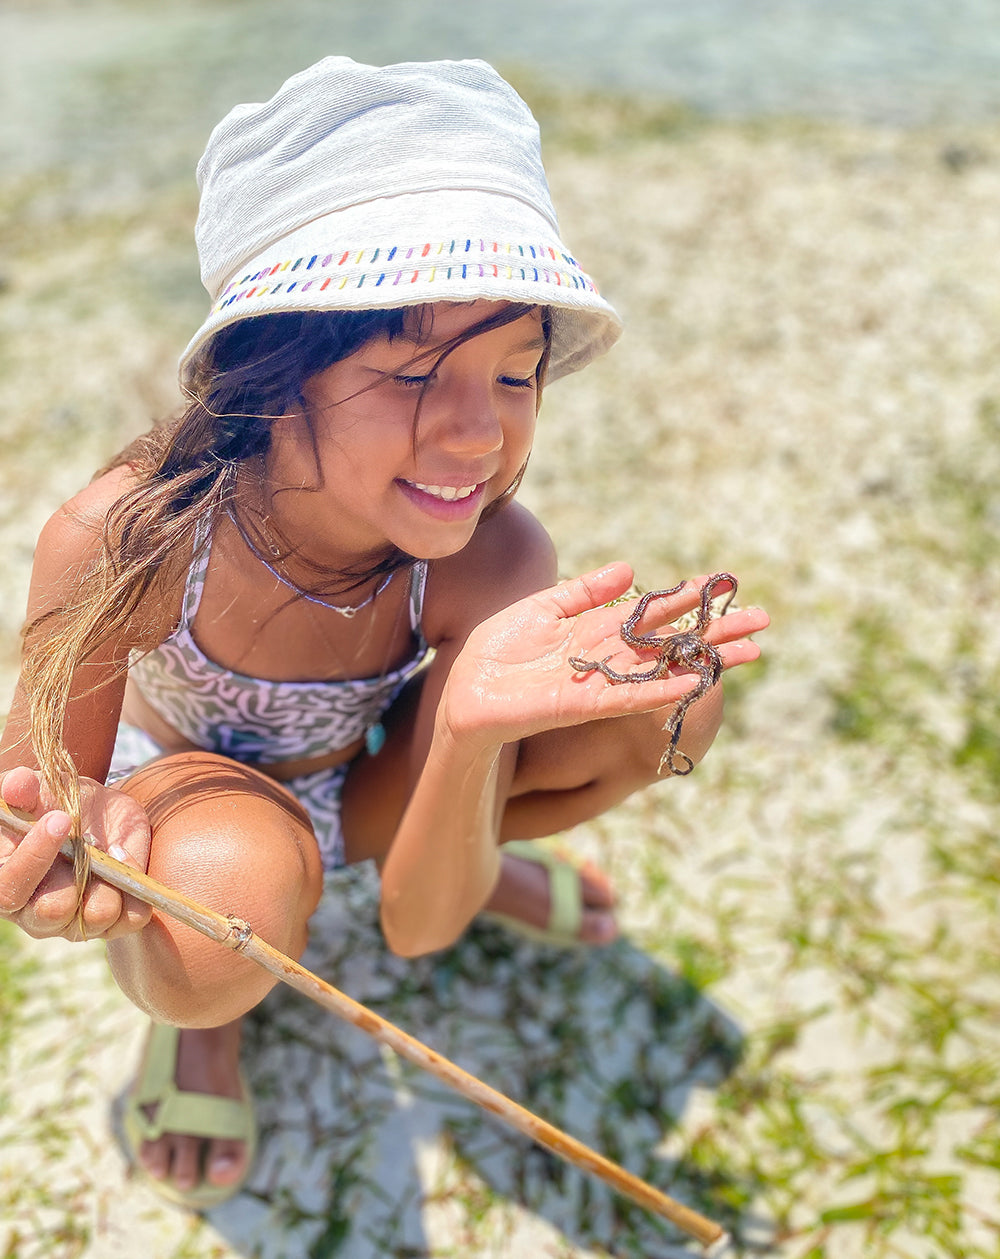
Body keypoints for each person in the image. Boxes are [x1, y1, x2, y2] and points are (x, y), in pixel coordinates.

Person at [0, 57, 768, 1209]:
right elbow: (34, 793)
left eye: (516, 374)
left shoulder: (494, 559)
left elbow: (417, 927)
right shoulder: (131, 535)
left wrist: (464, 729)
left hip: (367, 774)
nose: (476, 433)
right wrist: (67, 859)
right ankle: (201, 1021)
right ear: (268, 378)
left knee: (670, 693)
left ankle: (469, 852)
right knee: (224, 915)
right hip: (190, 789)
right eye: (414, 371)